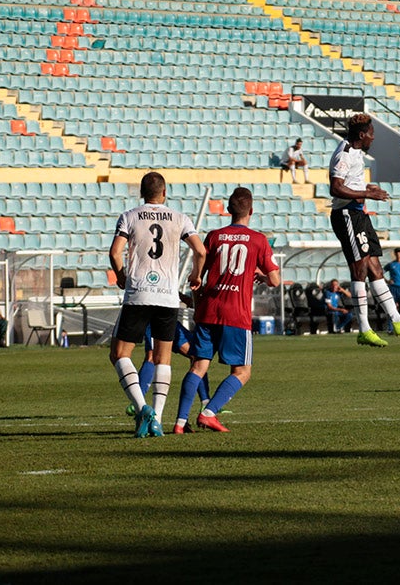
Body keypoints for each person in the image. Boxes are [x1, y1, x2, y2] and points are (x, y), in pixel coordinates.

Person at [174, 187, 281, 434]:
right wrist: (261, 276)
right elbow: (275, 280)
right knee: (242, 371)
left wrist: (197, 301)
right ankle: (209, 413)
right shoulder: (258, 240)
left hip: (209, 310)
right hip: (236, 314)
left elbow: (198, 275)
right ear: (251, 211)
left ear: (228, 210)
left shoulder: (214, 236)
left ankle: (179, 423)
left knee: (198, 366)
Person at [108, 171, 206, 438]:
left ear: (142, 193)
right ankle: (158, 419)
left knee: (119, 354)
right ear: (164, 193)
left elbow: (115, 252)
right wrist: (196, 275)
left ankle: (143, 409)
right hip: (167, 296)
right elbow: (200, 250)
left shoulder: (129, 216)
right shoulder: (180, 218)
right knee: (163, 358)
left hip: (139, 293)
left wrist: (121, 276)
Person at [329, 112, 400, 347]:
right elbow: (335, 188)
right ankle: (364, 328)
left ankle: (396, 319)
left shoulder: (356, 153)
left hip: (359, 214)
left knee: (375, 267)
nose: (373, 138)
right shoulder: (344, 154)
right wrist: (366, 193)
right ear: (362, 135)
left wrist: (365, 187)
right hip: (347, 216)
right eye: (371, 134)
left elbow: (349, 183)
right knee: (360, 269)